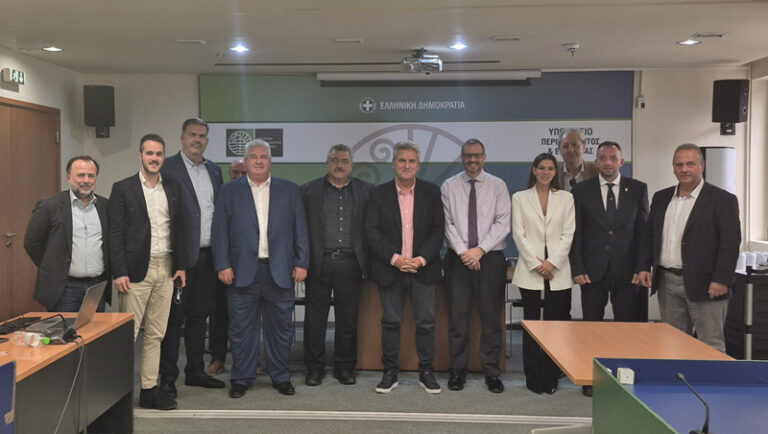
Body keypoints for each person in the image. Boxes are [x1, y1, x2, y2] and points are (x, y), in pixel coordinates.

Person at [212, 139, 309, 399]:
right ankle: (241, 378)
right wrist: (222, 264)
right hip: (241, 272)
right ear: (245, 161)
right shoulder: (229, 191)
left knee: (281, 330)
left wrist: (301, 262)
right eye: (253, 157)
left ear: (270, 161)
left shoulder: (289, 190)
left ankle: (281, 377)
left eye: (263, 156)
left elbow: (300, 229)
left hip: (279, 271)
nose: (258, 161)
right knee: (242, 330)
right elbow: (219, 231)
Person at [109, 134, 187, 410]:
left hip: (166, 268)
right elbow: (115, 234)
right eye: (150, 153)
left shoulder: (173, 186)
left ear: (164, 157)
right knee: (128, 335)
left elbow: (179, 228)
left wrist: (180, 266)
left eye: (159, 154)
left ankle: (149, 390)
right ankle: (117, 395)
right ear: (140, 156)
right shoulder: (123, 188)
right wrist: (119, 271)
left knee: (156, 334)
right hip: (134, 272)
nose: (155, 158)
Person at [637, 143, 740, 352]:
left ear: (702, 166)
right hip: (667, 282)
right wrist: (643, 267)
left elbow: (730, 243)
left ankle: (709, 376)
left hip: (707, 284)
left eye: (690, 164)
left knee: (710, 344)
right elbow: (649, 235)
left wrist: (721, 279)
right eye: (679, 164)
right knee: (672, 343)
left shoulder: (722, 199)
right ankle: (679, 376)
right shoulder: (661, 197)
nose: (684, 169)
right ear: (673, 168)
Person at [365, 141, 445, 394]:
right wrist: (395, 258)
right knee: (390, 322)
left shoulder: (432, 192)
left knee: (426, 322)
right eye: (402, 160)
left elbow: (438, 231)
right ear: (394, 164)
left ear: (418, 165)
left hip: (423, 269)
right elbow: (372, 231)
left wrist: (420, 259)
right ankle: (390, 373)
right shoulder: (379, 194)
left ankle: (427, 372)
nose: (406, 165)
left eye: (411, 161)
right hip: (391, 270)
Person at [159, 118, 225, 399]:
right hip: (181, 258)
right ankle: (167, 377)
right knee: (174, 319)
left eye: (202, 136)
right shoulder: (167, 168)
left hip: (208, 256)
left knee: (200, 316)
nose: (197, 140)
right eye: (193, 135)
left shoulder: (214, 170)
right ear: (182, 138)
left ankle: (195, 371)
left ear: (207, 140)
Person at [300, 144, 374, 386]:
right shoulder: (307, 191)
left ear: (352, 165)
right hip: (318, 263)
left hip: (351, 264)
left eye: (344, 160)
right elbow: (299, 230)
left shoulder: (367, 192)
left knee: (347, 320)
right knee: (315, 320)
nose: (339, 165)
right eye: (334, 160)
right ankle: (314, 368)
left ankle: (345, 367)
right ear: (327, 163)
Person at [441, 138, 510, 393]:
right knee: (458, 319)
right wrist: (464, 253)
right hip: (457, 259)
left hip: (490, 259)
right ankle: (457, 371)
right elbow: (447, 224)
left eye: (477, 155)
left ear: (484, 157)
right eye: (468, 155)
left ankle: (492, 372)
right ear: (462, 157)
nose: (473, 160)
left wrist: (479, 251)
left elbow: (503, 223)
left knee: (491, 319)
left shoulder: (498, 185)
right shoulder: (449, 186)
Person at [511, 152, 575, 395]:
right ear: (534, 170)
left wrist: (552, 263)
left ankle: (550, 375)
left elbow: (568, 234)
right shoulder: (520, 197)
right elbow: (519, 234)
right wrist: (537, 264)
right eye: (542, 168)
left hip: (557, 271)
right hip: (530, 270)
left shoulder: (566, 198)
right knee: (531, 325)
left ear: (555, 172)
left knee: (554, 326)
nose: (546, 172)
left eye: (550, 168)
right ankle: (533, 377)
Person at [570, 141, 650, 322]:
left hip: (628, 272)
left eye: (613, 158)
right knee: (591, 327)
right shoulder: (581, 191)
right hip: (591, 272)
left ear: (621, 162)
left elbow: (644, 232)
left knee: (627, 328)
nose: (608, 162)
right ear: (596, 162)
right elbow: (576, 233)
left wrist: (642, 267)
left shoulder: (638, 189)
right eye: (603, 158)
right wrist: (577, 268)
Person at [24, 156, 111, 312]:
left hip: (97, 286)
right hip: (65, 288)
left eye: (91, 176)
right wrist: (52, 267)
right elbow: (32, 243)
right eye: (81, 175)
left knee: (97, 327)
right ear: (68, 177)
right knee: (65, 328)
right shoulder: (50, 205)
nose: (86, 180)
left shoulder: (105, 206)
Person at [204, 158, 246, 376]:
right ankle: (218, 358)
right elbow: (217, 232)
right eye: (235, 172)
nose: (239, 177)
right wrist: (223, 264)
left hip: (249, 266)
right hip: (223, 265)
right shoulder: (222, 194)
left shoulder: (259, 195)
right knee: (219, 314)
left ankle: (248, 360)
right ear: (229, 174)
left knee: (247, 318)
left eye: (243, 173)